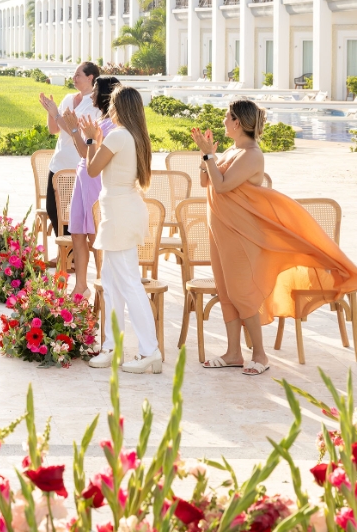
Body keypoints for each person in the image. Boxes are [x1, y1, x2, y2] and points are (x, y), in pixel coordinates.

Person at [192, 99, 357, 375]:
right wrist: (205, 156)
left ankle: (260, 354)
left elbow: (221, 187)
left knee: (242, 292)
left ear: (238, 122)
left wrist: (210, 157)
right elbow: (205, 182)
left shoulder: (252, 155)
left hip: (241, 235)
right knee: (226, 292)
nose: (223, 121)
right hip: (220, 231)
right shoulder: (232, 150)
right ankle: (233, 353)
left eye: (227, 117)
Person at [84, 86, 162, 374]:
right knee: (111, 283)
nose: (109, 110)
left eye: (112, 105)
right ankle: (111, 346)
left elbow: (92, 170)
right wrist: (96, 140)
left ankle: (149, 351)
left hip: (119, 215)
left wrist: (91, 139)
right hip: (121, 212)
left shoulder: (118, 136)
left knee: (128, 283)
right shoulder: (134, 136)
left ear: (119, 108)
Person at [59, 75, 120, 297]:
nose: (91, 94)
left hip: (95, 182)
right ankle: (81, 286)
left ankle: (105, 287)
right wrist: (75, 129)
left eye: (95, 90)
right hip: (82, 179)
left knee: (95, 237)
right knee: (77, 233)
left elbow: (87, 154)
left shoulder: (112, 125)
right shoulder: (101, 121)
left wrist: (74, 129)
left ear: (104, 94)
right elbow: (83, 154)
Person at [38, 62, 101, 265]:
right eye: (73, 75)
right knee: (53, 208)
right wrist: (51, 111)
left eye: (78, 75)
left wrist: (57, 114)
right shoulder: (67, 99)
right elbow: (54, 129)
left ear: (90, 78)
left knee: (72, 213)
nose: (74, 78)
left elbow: (79, 133)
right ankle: (66, 253)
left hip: (76, 165)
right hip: (58, 163)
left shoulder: (95, 105)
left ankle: (70, 256)